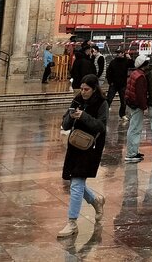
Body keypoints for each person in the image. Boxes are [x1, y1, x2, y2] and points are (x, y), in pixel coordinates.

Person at [57, 74, 108, 239]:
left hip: (91, 147)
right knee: (74, 181)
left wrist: (84, 117)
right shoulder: (77, 99)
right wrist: (70, 117)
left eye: (87, 89)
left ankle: (72, 222)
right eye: (82, 88)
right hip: (75, 145)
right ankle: (95, 201)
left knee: (77, 182)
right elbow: (64, 124)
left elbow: (101, 125)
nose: (83, 92)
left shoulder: (102, 103)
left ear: (94, 89)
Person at [123, 53, 151, 162]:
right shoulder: (140, 76)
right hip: (136, 105)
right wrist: (144, 107)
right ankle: (131, 154)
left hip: (131, 103)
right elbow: (140, 94)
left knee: (134, 128)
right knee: (135, 129)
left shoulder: (134, 73)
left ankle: (134, 151)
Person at [104, 48, 132, 123]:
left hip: (122, 84)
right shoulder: (113, 62)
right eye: (117, 53)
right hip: (114, 84)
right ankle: (104, 114)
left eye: (120, 52)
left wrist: (129, 58)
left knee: (123, 101)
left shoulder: (126, 61)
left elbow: (133, 64)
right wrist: (110, 82)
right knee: (109, 99)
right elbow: (108, 72)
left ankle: (122, 114)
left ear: (123, 53)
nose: (118, 54)